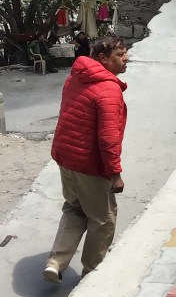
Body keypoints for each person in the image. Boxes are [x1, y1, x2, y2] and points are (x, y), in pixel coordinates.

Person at [43, 36, 130, 284]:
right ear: (103, 58)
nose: (126, 58)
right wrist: (115, 173)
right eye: (120, 55)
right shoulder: (109, 89)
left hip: (66, 158)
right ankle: (92, 273)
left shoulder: (75, 77)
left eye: (126, 53)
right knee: (103, 219)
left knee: (74, 208)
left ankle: (55, 263)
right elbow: (108, 138)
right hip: (89, 165)